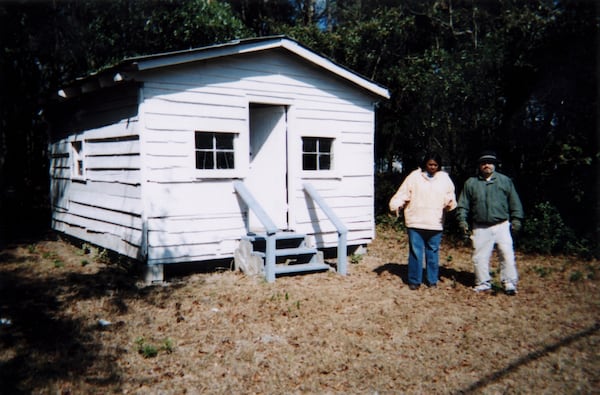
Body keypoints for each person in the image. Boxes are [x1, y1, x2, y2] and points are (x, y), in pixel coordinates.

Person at [456, 150, 524, 295]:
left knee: (507, 255)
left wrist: (517, 220)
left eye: (490, 163)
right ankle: (483, 283)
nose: (487, 165)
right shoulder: (471, 183)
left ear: (495, 165)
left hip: (502, 225)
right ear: (479, 166)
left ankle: (509, 283)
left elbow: (515, 203)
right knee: (480, 257)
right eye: (484, 163)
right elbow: (463, 205)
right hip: (480, 226)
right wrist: (462, 221)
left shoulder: (505, 181)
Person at [388, 153, 457, 290]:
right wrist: (395, 205)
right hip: (416, 221)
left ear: (439, 166)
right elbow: (403, 194)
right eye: (430, 164)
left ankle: (432, 280)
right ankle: (414, 280)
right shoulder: (414, 177)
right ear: (425, 164)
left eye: (435, 165)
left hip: (435, 223)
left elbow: (450, 196)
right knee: (416, 252)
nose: (432, 167)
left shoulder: (444, 179)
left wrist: (450, 204)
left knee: (433, 252)